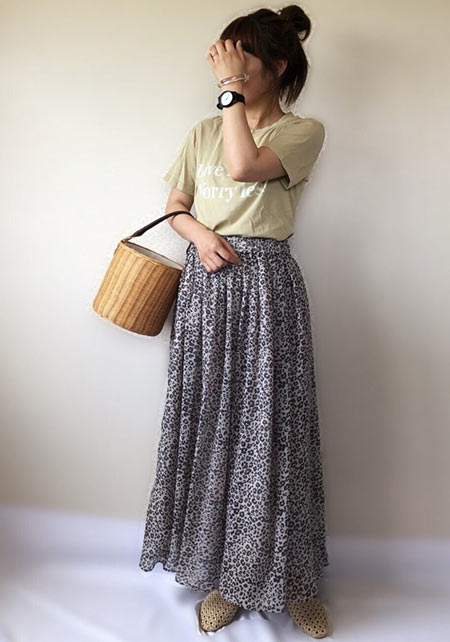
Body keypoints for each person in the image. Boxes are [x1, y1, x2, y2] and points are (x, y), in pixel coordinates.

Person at [139, 5, 330, 639]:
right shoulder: (202, 131)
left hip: (268, 287)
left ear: (277, 65)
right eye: (227, 51)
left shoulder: (303, 131)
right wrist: (198, 234)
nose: (228, 61)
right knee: (213, 427)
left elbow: (246, 165)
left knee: (275, 431)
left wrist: (229, 92)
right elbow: (176, 204)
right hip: (207, 287)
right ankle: (225, 577)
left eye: (242, 52)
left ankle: (293, 579)